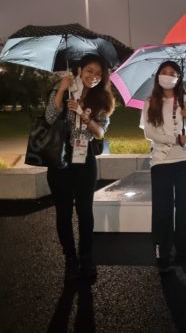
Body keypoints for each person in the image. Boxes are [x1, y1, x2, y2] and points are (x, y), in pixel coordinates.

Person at [46, 54, 115, 282]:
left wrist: (83, 115)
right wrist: (61, 89)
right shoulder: (64, 88)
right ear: (79, 70)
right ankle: (70, 259)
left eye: (99, 74)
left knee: (85, 212)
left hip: (85, 159)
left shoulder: (101, 98)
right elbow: (50, 117)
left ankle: (86, 258)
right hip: (61, 160)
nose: (93, 77)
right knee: (63, 212)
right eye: (89, 71)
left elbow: (101, 132)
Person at [140, 60, 186, 274]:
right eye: (164, 72)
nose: (168, 76)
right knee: (162, 210)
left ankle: (183, 247)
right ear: (158, 76)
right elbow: (149, 132)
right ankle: (162, 252)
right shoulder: (150, 102)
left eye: (173, 73)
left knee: (185, 208)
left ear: (178, 77)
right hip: (161, 162)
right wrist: (175, 139)